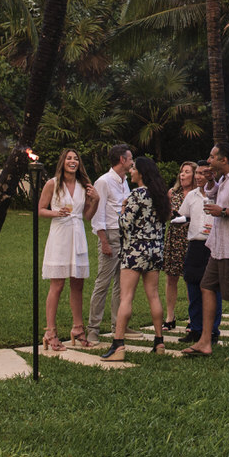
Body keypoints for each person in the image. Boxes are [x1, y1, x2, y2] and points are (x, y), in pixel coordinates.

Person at [180, 142, 229, 360]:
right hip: (219, 247)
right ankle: (205, 341)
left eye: (212, 157)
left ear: (224, 160)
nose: (208, 160)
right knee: (206, 286)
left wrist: (223, 211)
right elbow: (215, 194)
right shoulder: (225, 179)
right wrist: (212, 181)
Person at [103, 156, 171, 360]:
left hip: (135, 251)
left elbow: (125, 225)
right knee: (153, 295)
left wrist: (122, 210)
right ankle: (159, 341)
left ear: (141, 173)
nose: (131, 171)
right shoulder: (159, 195)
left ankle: (118, 344)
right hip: (155, 250)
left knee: (126, 296)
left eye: (133, 169)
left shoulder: (136, 195)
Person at [39, 150, 99, 351]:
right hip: (60, 236)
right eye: (69, 158)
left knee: (78, 285)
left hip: (78, 235)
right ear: (62, 162)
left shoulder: (84, 186)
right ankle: (50, 331)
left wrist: (96, 200)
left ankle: (78, 328)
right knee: (57, 285)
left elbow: (87, 216)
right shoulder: (53, 184)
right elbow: (40, 209)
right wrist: (56, 212)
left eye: (76, 159)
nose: (72, 161)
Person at [87, 143, 133, 345]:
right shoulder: (103, 182)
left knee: (121, 284)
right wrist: (104, 241)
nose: (132, 162)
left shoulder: (125, 181)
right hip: (111, 235)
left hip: (125, 235)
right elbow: (97, 215)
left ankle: (118, 325)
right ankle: (93, 329)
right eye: (130, 158)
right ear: (122, 160)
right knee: (103, 283)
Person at [177, 162, 223, 344]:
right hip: (195, 245)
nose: (198, 177)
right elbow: (184, 216)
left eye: (203, 174)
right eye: (196, 173)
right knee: (193, 287)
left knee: (212, 288)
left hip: (212, 245)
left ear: (211, 175)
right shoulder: (191, 196)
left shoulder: (219, 194)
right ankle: (195, 329)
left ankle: (212, 331)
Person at [161, 161, 196, 331]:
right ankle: (170, 316)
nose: (182, 175)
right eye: (181, 172)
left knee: (190, 279)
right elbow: (166, 215)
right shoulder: (172, 193)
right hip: (174, 237)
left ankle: (193, 317)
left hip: (191, 238)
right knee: (171, 277)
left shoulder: (198, 194)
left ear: (194, 175)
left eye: (187, 172)